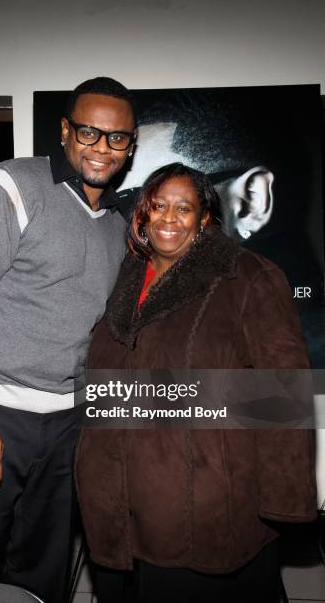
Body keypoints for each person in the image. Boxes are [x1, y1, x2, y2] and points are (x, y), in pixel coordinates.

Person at [0, 76, 137, 603]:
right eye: (90, 133)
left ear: (131, 147)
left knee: (43, 566)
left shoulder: (116, 224)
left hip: (67, 424)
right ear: (65, 131)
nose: (102, 149)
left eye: (117, 138)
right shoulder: (9, 187)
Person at [75, 162, 317, 603]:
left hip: (205, 500)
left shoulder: (247, 276)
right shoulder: (125, 275)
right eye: (158, 207)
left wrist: (286, 501)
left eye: (183, 208)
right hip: (119, 499)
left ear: (205, 217)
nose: (168, 219)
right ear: (142, 215)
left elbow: (281, 394)